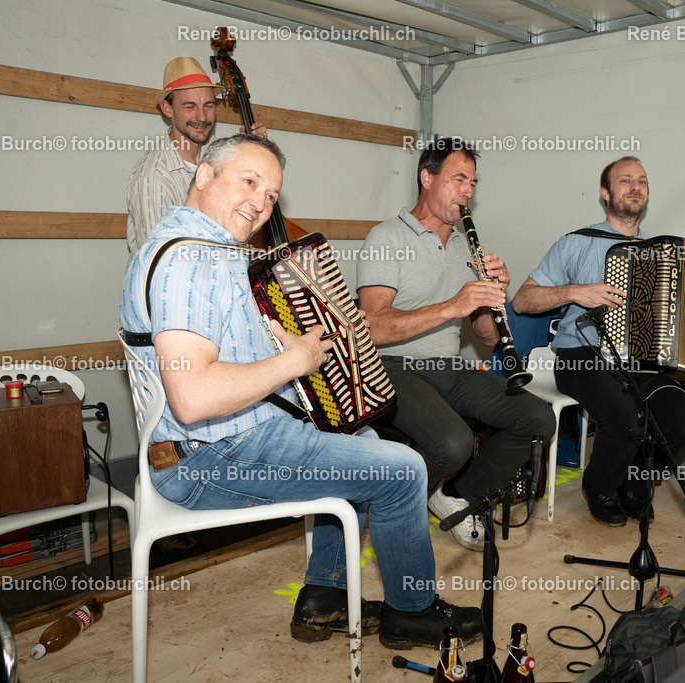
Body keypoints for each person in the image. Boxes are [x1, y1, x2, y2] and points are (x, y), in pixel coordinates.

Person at [119, 134, 481, 649]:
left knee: (364, 444)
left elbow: (240, 343)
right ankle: (413, 613)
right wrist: (294, 361)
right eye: (249, 182)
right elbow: (193, 396)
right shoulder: (189, 263)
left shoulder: (205, 249)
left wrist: (303, 339)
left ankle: (324, 597)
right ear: (203, 176)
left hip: (221, 440)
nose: (260, 204)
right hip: (208, 457)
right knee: (404, 469)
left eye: (271, 195)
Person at [512, 156, 685, 525]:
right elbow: (522, 300)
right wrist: (576, 292)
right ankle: (599, 486)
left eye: (641, 181)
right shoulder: (576, 243)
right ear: (604, 193)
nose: (635, 187)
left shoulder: (664, 257)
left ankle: (633, 478)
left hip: (640, 363)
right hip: (581, 355)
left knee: (684, 426)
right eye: (625, 180)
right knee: (628, 419)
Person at [356, 137, 556, 551]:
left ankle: (455, 496)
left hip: (448, 367)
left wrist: (490, 296)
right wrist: (453, 304)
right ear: (427, 178)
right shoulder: (387, 237)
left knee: (538, 419)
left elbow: (485, 337)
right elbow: (372, 326)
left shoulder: (467, 246)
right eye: (459, 179)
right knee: (452, 444)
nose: (468, 191)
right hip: (392, 365)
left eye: (473, 182)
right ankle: (391, 507)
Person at [126, 57, 266, 254]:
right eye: (190, 107)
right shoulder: (153, 178)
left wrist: (250, 155)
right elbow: (159, 261)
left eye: (208, 105)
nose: (202, 117)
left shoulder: (220, 154)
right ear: (168, 109)